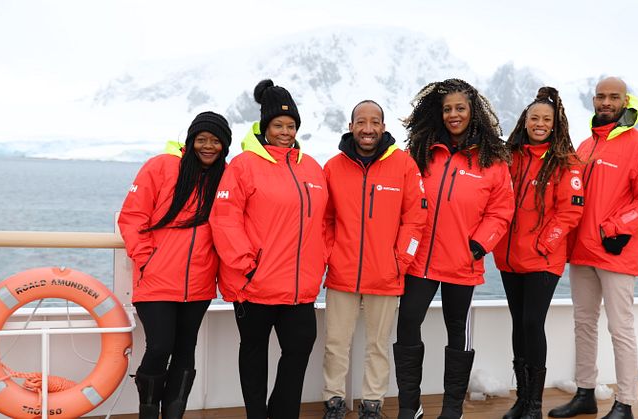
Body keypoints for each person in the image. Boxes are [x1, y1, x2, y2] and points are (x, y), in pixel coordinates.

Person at [394, 78, 515, 419]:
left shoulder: (492, 160)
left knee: (457, 332)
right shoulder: (422, 152)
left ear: (473, 111)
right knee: (407, 324)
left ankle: (451, 409)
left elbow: (501, 210)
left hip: (463, 261)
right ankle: (410, 406)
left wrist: (479, 246)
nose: (453, 115)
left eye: (460, 108)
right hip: (421, 261)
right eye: (447, 109)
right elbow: (405, 201)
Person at [547, 77, 638, 419]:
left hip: (616, 252)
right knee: (583, 324)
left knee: (620, 328)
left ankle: (625, 402)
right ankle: (585, 393)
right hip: (582, 254)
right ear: (593, 100)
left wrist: (614, 228)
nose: (606, 102)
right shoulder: (585, 146)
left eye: (613, 97)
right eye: (600, 96)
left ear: (625, 100)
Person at [210, 79, 328, 419]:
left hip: (299, 288)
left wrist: (322, 259)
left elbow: (324, 222)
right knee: (254, 354)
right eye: (278, 125)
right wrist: (248, 264)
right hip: (254, 284)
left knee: (299, 348)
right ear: (265, 127)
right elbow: (225, 218)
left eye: (291, 126)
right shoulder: (244, 165)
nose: (286, 131)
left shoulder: (311, 167)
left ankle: (282, 413)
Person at [118, 111, 232, 418]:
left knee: (185, 352)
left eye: (216, 141)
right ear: (190, 140)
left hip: (199, 284)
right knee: (159, 348)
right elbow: (132, 217)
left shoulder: (225, 177)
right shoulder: (161, 167)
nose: (208, 146)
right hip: (156, 280)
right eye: (202, 139)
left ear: (225, 146)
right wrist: (146, 259)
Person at [321, 100, 426, 419]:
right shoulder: (333, 167)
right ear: (351, 125)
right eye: (361, 122)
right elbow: (324, 220)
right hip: (342, 274)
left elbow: (416, 220)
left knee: (378, 346)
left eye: (375, 122)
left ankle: (372, 403)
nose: (368, 129)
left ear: (383, 126)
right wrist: (330, 255)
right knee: (336, 344)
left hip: (386, 274)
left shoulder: (404, 165)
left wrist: (400, 261)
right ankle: (334, 401)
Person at [492, 87, 584, 419]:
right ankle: (521, 398)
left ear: (556, 124)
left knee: (533, 322)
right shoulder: (510, 156)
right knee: (519, 324)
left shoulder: (566, 161)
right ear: (525, 121)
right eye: (535, 118)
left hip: (543, 259)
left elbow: (571, 212)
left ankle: (534, 404)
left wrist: (544, 243)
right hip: (508, 258)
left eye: (547, 119)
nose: (540, 123)